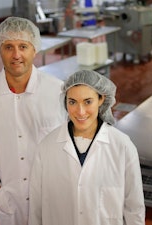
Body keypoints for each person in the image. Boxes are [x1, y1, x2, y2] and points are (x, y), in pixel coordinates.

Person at [0, 17, 67, 225]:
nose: (16, 55)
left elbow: (75, 140)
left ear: (34, 50)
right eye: (8, 46)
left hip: (53, 195)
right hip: (9, 199)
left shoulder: (58, 91)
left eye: (23, 46)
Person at [29, 70, 145, 225]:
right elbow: (36, 207)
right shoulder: (47, 147)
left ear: (101, 99)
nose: (80, 111)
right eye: (72, 102)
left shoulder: (122, 146)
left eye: (87, 101)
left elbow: (134, 207)